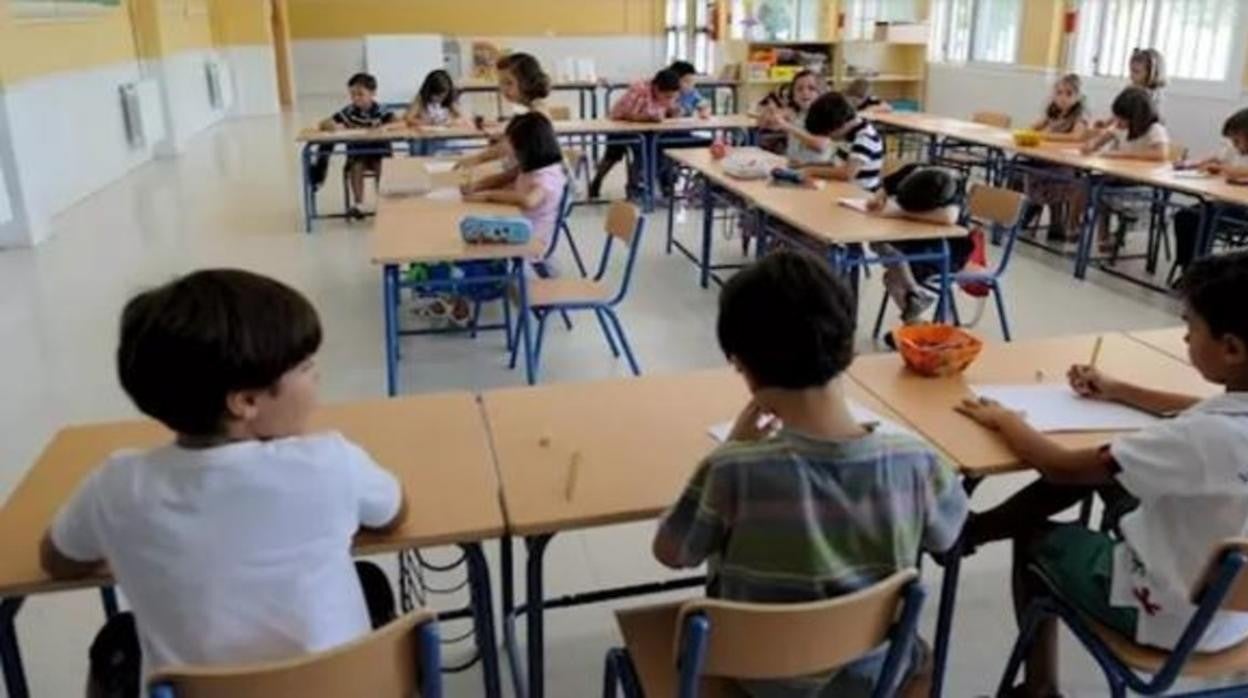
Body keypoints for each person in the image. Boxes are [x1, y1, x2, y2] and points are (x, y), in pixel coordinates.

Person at [42, 270, 405, 697]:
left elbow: (58, 560)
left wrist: (133, 551)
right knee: (370, 582)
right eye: (306, 367)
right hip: (337, 689)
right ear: (246, 402)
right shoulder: (329, 462)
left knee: (119, 635)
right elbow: (394, 513)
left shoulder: (117, 485)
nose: (317, 377)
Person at [654, 248, 967, 698]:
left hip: (753, 674)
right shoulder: (917, 461)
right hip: (870, 672)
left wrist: (736, 445)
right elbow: (946, 537)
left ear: (742, 365)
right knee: (922, 660)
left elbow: (672, 552)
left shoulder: (731, 470)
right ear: (849, 347)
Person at [956, 250, 1248, 698]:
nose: (1185, 338)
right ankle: (976, 530)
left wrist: (1005, 419)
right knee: (1113, 475)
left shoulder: (1202, 438)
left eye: (1190, 328)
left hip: (1171, 615)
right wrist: (1118, 389)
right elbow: (1201, 412)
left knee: (1038, 537)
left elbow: (1063, 467)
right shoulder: (1221, 423)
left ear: (1231, 348)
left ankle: (1040, 689)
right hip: (1237, 614)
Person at [462, 112, 569, 271]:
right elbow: (504, 177)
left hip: (529, 234)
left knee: (470, 232)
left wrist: (488, 196)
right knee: (468, 224)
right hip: (516, 220)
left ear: (529, 147)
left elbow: (528, 200)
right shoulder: (532, 163)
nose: (511, 150)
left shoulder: (547, 176)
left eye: (514, 145)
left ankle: (492, 275)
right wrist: (476, 186)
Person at [866, 164, 968, 326]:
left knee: (892, 278)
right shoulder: (912, 170)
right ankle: (918, 320)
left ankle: (917, 324)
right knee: (882, 247)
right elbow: (882, 190)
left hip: (945, 248)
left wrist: (900, 213)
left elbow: (949, 217)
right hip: (912, 240)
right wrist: (878, 200)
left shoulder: (950, 184)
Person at [1082, 87, 1171, 253]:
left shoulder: (1154, 130)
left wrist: (1121, 154)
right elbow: (1097, 143)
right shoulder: (1119, 127)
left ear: (1137, 118)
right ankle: (1102, 236)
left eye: (1122, 118)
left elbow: (1161, 154)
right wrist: (1091, 145)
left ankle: (1106, 237)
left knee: (1100, 190)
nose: (1117, 121)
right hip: (1121, 179)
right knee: (1089, 184)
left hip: (1143, 184)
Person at [1171, 109, 1248, 279]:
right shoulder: (1232, 150)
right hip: (1223, 203)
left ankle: (1201, 273)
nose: (1234, 145)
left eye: (1237, 140)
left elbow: (1240, 172)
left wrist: (1221, 169)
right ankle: (1187, 269)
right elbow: (1215, 159)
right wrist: (1190, 164)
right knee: (1184, 217)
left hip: (1242, 210)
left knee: (1203, 220)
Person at [587, 68, 682, 200]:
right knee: (613, 155)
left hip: (648, 131)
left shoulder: (670, 93)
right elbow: (625, 113)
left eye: (672, 96)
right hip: (620, 126)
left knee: (658, 147)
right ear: (656, 88)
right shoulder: (639, 90)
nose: (669, 99)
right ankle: (597, 181)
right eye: (666, 96)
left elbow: (669, 112)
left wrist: (674, 112)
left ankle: (646, 186)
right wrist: (645, 118)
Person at [315, 72, 397, 220]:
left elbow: (398, 122)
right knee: (356, 167)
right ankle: (359, 205)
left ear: (373, 93)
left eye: (360, 94)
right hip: (358, 153)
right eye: (352, 94)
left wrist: (385, 128)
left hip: (380, 152)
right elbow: (323, 123)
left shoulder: (381, 110)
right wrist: (332, 126)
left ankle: (384, 203)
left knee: (381, 166)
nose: (355, 98)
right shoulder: (349, 111)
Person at [1021, 74, 1091, 242]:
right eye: (1059, 93)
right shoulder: (1053, 114)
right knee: (1025, 167)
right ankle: (1035, 208)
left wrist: (1047, 137)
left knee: (1050, 175)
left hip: (1066, 165)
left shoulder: (1079, 117)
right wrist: (1033, 132)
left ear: (1078, 97)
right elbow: (1032, 128)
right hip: (1048, 160)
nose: (1062, 98)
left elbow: (1076, 137)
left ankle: (1050, 219)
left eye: (1068, 94)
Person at [454, 53, 552, 171]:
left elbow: (508, 147)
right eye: (501, 83)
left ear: (527, 83)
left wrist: (475, 160)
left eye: (509, 83)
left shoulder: (536, 113)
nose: (503, 89)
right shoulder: (533, 108)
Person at [801, 92, 885, 191]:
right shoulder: (847, 134)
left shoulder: (864, 138)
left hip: (861, 195)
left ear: (840, 125)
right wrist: (806, 165)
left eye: (828, 134)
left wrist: (811, 170)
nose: (829, 138)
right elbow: (836, 165)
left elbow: (847, 174)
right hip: (843, 190)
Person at [756, 70, 833, 166]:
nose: (805, 92)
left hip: (816, 170)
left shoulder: (827, 115)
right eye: (799, 89)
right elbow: (763, 124)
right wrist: (769, 112)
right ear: (793, 95)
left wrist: (787, 126)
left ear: (821, 92)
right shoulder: (795, 112)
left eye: (811, 88)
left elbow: (820, 145)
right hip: (793, 166)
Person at [1094, 48, 1166, 130]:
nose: (1131, 75)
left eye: (1136, 72)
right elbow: (1121, 112)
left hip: (1143, 130)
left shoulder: (1151, 95)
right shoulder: (1130, 88)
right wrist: (1106, 123)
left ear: (1151, 73)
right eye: (1131, 70)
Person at [402, 69, 469, 128]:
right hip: (426, 137)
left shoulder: (449, 100)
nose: (439, 99)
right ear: (429, 91)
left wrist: (450, 122)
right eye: (437, 96)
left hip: (446, 136)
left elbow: (463, 118)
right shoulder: (421, 99)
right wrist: (426, 122)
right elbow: (408, 119)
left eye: (443, 96)